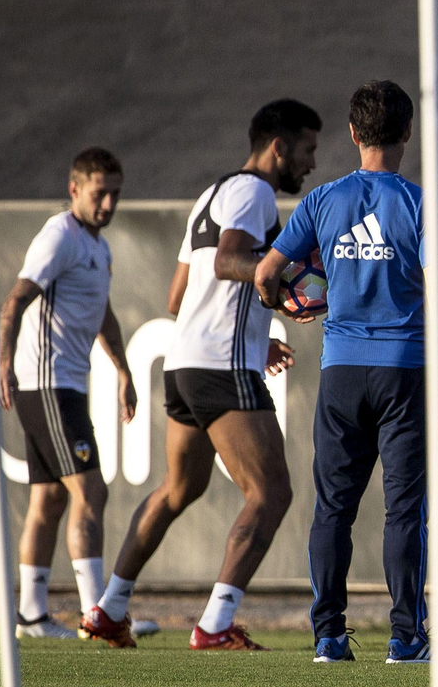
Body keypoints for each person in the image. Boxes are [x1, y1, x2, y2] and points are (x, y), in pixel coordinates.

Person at [81, 99, 320, 650]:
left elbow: (177, 295)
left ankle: (110, 609)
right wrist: (278, 291)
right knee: (272, 492)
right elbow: (228, 261)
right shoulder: (256, 192)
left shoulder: (211, 195)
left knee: (180, 488)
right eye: (306, 150)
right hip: (219, 364)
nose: (310, 164)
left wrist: (255, 334)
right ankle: (215, 623)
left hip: (186, 360)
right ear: (278, 147)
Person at [256, 80, 438, 665]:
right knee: (405, 510)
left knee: (333, 509)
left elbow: (266, 274)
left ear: (353, 134)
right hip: (405, 371)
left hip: (342, 371)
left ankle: (328, 635)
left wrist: (293, 306)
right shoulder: (422, 203)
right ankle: (406, 639)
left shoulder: (323, 201)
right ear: (406, 133)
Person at [0, 148, 149, 638]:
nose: (108, 203)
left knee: (49, 500)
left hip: (66, 383)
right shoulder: (59, 236)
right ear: (75, 189)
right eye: (99, 192)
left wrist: (123, 370)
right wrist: (4, 359)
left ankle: (33, 616)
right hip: (47, 382)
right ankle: (97, 614)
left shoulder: (98, 246)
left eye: (115, 193)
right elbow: (17, 298)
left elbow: (100, 313)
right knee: (91, 489)